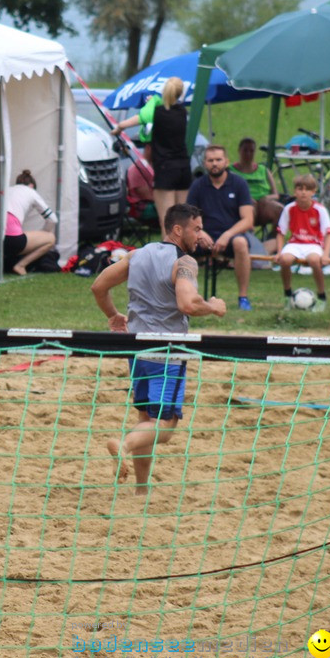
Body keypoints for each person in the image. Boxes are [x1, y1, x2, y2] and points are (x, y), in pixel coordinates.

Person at [91, 203, 226, 495]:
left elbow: (98, 287)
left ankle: (141, 489)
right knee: (165, 427)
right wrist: (213, 307)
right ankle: (123, 445)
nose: (201, 235)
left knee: (146, 420)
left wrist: (113, 316)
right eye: (197, 229)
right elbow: (188, 304)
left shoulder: (137, 254)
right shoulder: (185, 262)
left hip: (136, 349)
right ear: (178, 230)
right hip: (167, 351)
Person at [111, 78, 191, 238]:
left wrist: (119, 127)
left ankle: (169, 261)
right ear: (180, 93)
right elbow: (163, 109)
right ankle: (183, 259)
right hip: (183, 169)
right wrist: (152, 103)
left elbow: (141, 118)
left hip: (166, 170)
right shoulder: (182, 112)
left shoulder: (156, 110)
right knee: (181, 221)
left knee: (167, 222)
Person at [185, 145, 255, 311]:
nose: (214, 164)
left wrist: (227, 235)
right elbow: (188, 217)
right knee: (178, 244)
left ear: (227, 162)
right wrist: (199, 232)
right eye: (210, 160)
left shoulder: (239, 183)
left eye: (218, 160)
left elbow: (248, 220)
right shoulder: (198, 185)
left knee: (241, 243)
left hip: (231, 237)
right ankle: (185, 296)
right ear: (204, 163)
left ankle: (243, 298)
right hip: (202, 237)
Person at [0, 170, 58, 276]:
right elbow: (53, 219)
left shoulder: (5, 190)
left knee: (10, 232)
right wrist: (44, 233)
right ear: (31, 186)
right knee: (51, 238)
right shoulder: (31, 192)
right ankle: (20, 266)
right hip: (11, 242)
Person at [275, 174, 330, 312]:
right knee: (285, 260)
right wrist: (279, 252)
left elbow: (329, 234)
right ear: (295, 191)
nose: (303, 192)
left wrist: (326, 255)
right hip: (295, 243)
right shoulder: (289, 208)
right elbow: (280, 233)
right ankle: (287, 295)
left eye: (307, 189)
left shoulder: (320, 210)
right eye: (300, 189)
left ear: (313, 192)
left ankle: (321, 296)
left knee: (314, 260)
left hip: (314, 244)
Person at [231, 137, 283, 246]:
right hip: (243, 205)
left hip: (263, 204)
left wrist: (267, 198)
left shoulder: (263, 170)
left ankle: (273, 238)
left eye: (251, 151)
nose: (248, 154)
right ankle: (250, 242)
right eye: (245, 150)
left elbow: (276, 194)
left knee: (280, 209)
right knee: (248, 207)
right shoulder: (231, 170)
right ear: (239, 151)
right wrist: (244, 199)